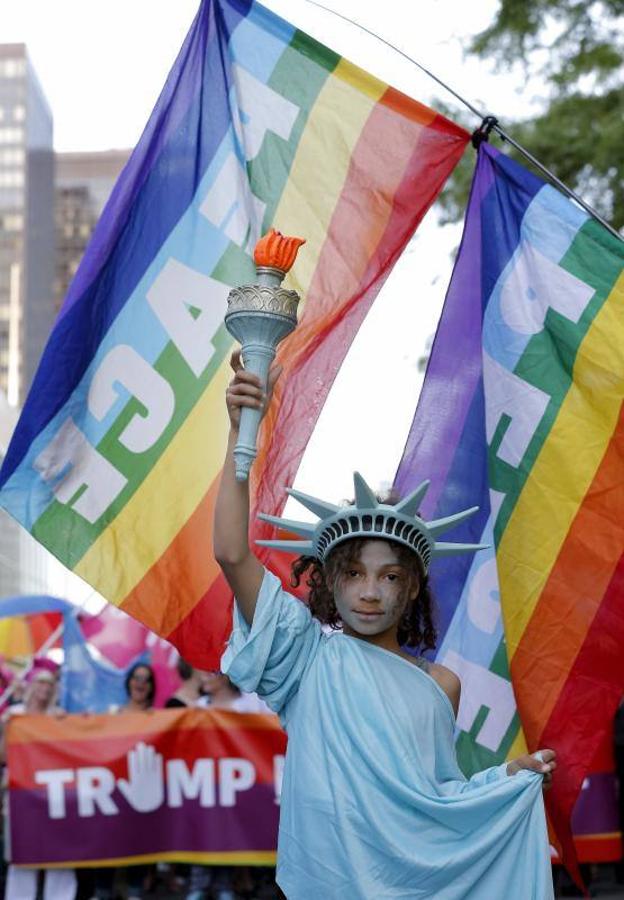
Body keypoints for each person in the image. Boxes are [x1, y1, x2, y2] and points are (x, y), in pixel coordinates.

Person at [214, 351, 557, 900]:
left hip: (413, 885)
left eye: (390, 576)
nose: (370, 591)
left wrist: (506, 780)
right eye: (354, 574)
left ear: (414, 587)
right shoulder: (304, 658)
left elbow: (439, 798)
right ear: (330, 581)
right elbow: (232, 554)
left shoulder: (441, 684)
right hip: (325, 884)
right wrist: (239, 434)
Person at [2, 662, 77, 900]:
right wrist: (5, 731)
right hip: (20, 793)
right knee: (23, 850)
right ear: (31, 686)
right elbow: (3, 757)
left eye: (50, 683)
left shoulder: (58, 717)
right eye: (40, 682)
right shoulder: (14, 716)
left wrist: (71, 726)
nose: (44, 687)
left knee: (60, 850)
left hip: (53, 792)